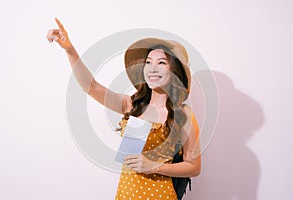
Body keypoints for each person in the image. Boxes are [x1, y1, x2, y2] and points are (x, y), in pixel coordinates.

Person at [46, 18, 201, 200]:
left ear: (174, 71)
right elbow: (91, 87)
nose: (152, 68)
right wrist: (69, 49)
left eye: (161, 63)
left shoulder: (183, 115)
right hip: (125, 194)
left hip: (160, 195)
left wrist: (154, 166)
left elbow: (194, 166)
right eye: (148, 62)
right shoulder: (132, 105)